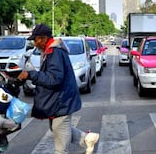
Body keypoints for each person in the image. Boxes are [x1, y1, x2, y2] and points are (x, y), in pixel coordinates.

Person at [17, 24, 99, 154]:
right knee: (57, 128)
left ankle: (85, 140)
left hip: (61, 100)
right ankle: (87, 139)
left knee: (60, 139)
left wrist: (31, 74)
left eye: (36, 39)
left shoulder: (55, 52)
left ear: (44, 39)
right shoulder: (50, 51)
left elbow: (54, 79)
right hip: (60, 99)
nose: (34, 43)